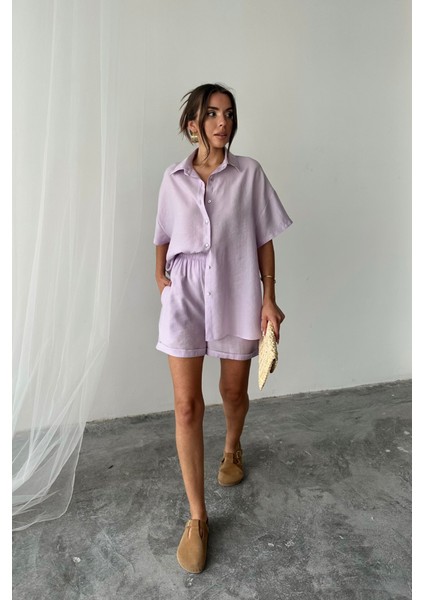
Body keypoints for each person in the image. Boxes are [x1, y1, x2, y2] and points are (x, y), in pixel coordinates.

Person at [153, 83, 292, 574]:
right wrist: (160, 278)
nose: (222, 122)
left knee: (233, 392)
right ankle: (198, 517)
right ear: (193, 123)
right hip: (186, 293)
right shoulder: (172, 178)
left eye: (229, 114)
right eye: (212, 114)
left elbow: (264, 239)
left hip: (235, 286)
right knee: (186, 406)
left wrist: (269, 298)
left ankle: (232, 447)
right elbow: (163, 234)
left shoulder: (249, 173)